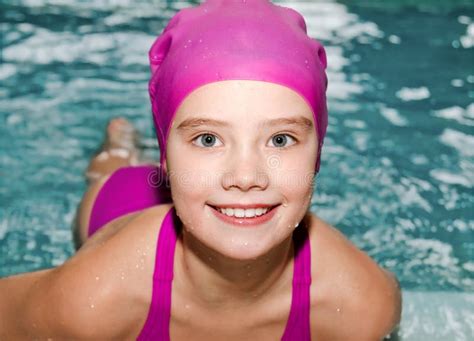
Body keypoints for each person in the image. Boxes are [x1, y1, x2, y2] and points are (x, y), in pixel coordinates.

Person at [0, 0, 401, 340]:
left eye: (280, 139)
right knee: (110, 168)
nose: (246, 177)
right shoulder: (90, 299)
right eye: (207, 139)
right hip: (121, 202)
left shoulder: (363, 307)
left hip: (192, 199)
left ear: (317, 155)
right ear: (167, 156)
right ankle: (118, 149)